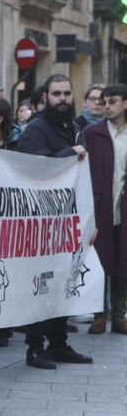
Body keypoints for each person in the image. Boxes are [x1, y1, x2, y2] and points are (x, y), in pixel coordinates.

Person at [17, 74, 95, 369]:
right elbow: (37, 169)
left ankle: (59, 344)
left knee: (64, 282)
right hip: (40, 223)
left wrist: (91, 219)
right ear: (46, 97)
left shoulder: (74, 128)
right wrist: (67, 153)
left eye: (66, 93)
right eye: (56, 93)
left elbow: (82, 177)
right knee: (40, 285)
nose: (62, 98)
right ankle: (34, 348)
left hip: (68, 221)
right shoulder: (36, 129)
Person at [83, 83, 127, 336]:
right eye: (104, 101)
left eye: (112, 101)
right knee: (100, 261)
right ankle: (99, 314)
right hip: (100, 207)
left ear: (125, 104)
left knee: (123, 261)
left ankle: (119, 315)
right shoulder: (92, 133)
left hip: (124, 208)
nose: (106, 106)